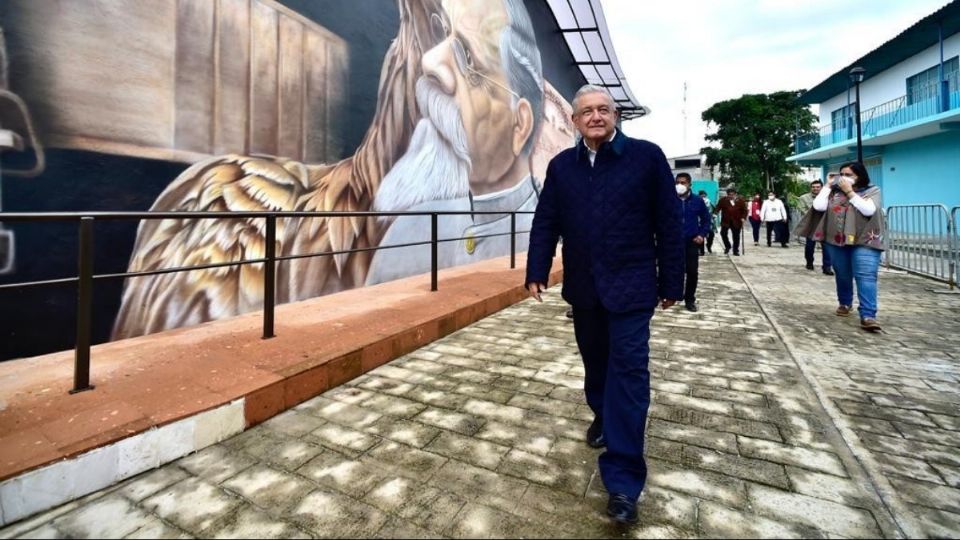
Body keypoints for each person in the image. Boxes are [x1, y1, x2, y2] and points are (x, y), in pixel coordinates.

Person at [525, 84, 683, 524]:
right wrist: (536, 269)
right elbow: (546, 222)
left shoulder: (647, 158)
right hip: (585, 289)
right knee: (596, 367)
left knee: (629, 374)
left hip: (633, 290)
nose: (596, 116)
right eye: (587, 111)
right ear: (574, 121)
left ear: (615, 116)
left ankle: (623, 482)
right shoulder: (562, 167)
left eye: (604, 109)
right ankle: (601, 414)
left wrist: (673, 280)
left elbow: (669, 224)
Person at [811, 162, 885, 332]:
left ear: (860, 176)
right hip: (838, 239)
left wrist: (850, 192)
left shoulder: (872, 191)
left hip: (865, 239)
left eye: (849, 175)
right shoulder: (833, 192)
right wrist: (828, 185)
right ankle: (845, 302)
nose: (844, 178)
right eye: (842, 174)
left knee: (865, 275)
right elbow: (818, 206)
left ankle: (868, 315)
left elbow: (868, 210)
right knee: (843, 273)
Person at [677, 175, 711, 311]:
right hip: (673, 242)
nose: (680, 185)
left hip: (691, 240)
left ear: (690, 184)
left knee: (692, 271)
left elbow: (706, 219)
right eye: (678, 182)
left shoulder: (697, 201)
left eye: (683, 183)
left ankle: (689, 299)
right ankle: (671, 295)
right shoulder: (669, 199)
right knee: (673, 269)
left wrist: (702, 234)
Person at [797, 180, 833, 275]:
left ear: (821, 187)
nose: (815, 189)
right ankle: (809, 262)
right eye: (813, 187)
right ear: (811, 188)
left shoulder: (829, 197)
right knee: (809, 246)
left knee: (827, 247)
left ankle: (827, 267)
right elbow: (802, 209)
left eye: (818, 187)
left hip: (825, 225)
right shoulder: (804, 198)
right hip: (811, 225)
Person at [714, 187, 747, 256]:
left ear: (735, 194)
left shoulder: (740, 201)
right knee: (723, 233)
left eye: (732, 194)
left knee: (736, 236)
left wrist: (743, 218)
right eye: (729, 194)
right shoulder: (723, 200)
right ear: (727, 194)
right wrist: (715, 214)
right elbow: (718, 207)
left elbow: (744, 210)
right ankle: (727, 246)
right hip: (726, 221)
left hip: (737, 221)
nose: (731, 196)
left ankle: (735, 250)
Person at [698, 190, 716, 255]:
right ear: (699, 196)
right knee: (701, 236)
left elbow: (714, 209)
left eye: (704, 195)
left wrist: (714, 215)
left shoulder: (709, 201)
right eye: (702, 195)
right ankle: (701, 251)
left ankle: (708, 245)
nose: (703, 197)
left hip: (708, 221)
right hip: (699, 222)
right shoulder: (697, 202)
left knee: (711, 234)